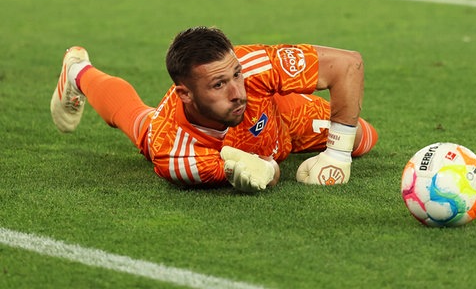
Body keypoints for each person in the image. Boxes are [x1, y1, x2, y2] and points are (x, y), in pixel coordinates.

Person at [50, 26, 378, 192]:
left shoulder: (251, 68)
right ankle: (79, 72)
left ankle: (78, 71)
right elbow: (261, 172)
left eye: (235, 74)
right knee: (139, 122)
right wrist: (268, 172)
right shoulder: (176, 155)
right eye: (219, 85)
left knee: (364, 138)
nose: (238, 92)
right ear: (186, 93)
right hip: (188, 136)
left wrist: (337, 155)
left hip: (278, 117)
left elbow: (348, 65)